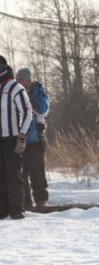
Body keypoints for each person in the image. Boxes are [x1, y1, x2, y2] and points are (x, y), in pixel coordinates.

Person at [0, 56, 33, 219]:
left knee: (13, 173)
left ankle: (16, 209)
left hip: (11, 137)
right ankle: (2, 209)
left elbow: (27, 112)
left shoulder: (15, 87)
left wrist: (22, 135)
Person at [16, 68, 50, 210]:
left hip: (36, 139)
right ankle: (26, 203)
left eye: (23, 81)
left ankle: (41, 202)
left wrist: (29, 97)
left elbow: (43, 110)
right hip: (19, 141)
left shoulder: (39, 92)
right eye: (19, 82)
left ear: (29, 81)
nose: (21, 84)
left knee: (37, 173)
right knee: (21, 174)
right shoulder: (15, 93)